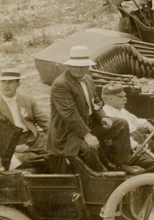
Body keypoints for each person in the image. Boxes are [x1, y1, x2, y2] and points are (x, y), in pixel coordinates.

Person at [48, 45, 139, 174]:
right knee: (88, 149)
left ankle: (121, 163)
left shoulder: (88, 79)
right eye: (75, 66)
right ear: (69, 66)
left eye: (82, 66)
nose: (79, 69)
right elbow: (69, 115)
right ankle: (101, 175)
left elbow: (95, 102)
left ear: (87, 67)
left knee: (121, 124)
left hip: (88, 124)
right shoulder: (61, 84)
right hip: (67, 133)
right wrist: (87, 135)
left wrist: (103, 118)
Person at [0, 67, 49, 169]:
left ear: (18, 85)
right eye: (3, 82)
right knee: (24, 160)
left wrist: (56, 137)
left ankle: (61, 182)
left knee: (57, 151)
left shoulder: (27, 100)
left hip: (33, 138)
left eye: (10, 82)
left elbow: (45, 121)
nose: (6, 86)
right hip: (10, 142)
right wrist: (14, 147)